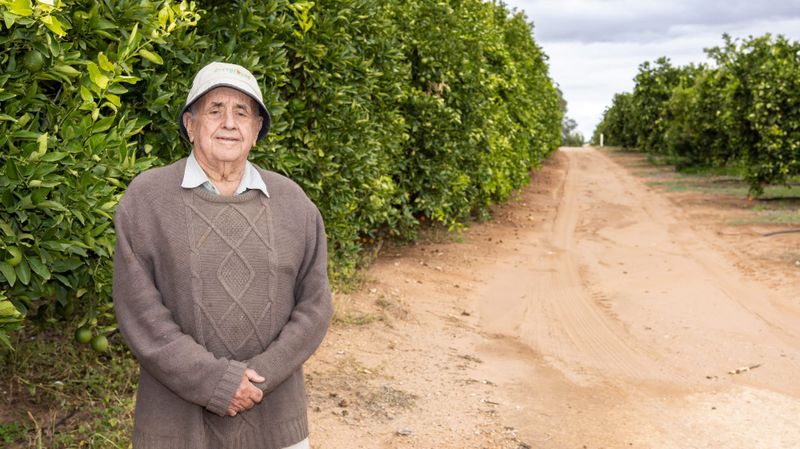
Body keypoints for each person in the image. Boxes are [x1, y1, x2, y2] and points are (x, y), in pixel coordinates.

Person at [112, 61, 333, 449]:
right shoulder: (147, 200)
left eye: (243, 112)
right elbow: (140, 312)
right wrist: (216, 382)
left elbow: (315, 307)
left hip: (274, 419)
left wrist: (256, 378)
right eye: (215, 110)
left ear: (257, 130)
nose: (229, 123)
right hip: (174, 426)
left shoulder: (295, 204)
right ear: (190, 124)